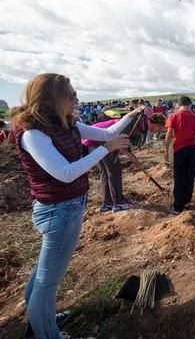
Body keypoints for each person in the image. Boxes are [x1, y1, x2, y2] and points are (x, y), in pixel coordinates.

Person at [10, 73, 133, 339]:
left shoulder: (67, 124)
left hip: (69, 207)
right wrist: (106, 149)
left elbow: (109, 132)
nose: (76, 98)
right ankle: (46, 333)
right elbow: (65, 173)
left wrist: (133, 114)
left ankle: (39, 322)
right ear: (51, 98)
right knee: (47, 280)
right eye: (70, 94)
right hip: (58, 211)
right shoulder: (33, 134)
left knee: (44, 274)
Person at [81, 111, 138, 213]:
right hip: (100, 141)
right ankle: (118, 202)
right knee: (114, 170)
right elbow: (124, 146)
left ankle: (107, 202)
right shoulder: (125, 125)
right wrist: (135, 160)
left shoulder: (121, 122)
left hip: (92, 143)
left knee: (105, 172)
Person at [165, 96, 195, 214]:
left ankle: (177, 206)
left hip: (179, 149)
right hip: (191, 148)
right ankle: (186, 202)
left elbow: (169, 134)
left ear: (179, 104)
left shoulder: (173, 116)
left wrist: (166, 149)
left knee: (179, 177)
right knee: (189, 176)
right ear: (190, 104)